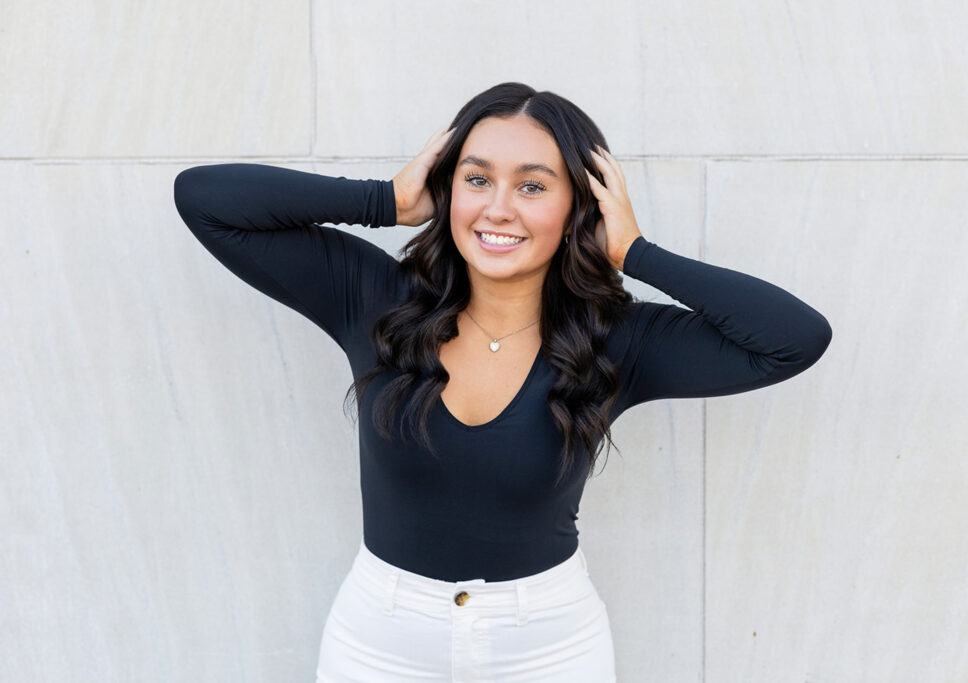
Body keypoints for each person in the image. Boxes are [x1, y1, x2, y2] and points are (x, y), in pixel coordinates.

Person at [173, 81, 831, 682]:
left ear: (580, 205)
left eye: (532, 186)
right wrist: (386, 200)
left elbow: (793, 337)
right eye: (477, 178)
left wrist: (633, 251)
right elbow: (203, 198)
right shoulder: (377, 299)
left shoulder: (616, 339)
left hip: (548, 649)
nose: (498, 208)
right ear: (445, 187)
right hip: (381, 645)